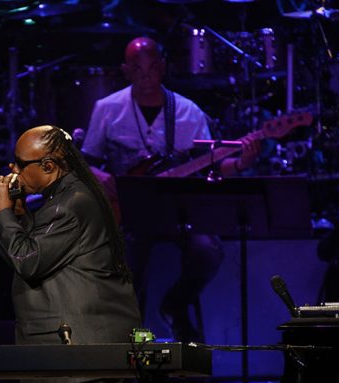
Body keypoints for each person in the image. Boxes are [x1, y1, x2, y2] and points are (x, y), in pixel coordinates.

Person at [81, 36, 261, 342]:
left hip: (178, 210)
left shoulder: (189, 112)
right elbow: (85, 164)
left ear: (163, 68)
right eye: (137, 70)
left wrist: (242, 162)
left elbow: (211, 168)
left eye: (152, 68)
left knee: (208, 252)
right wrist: (105, 180)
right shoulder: (107, 109)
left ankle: (176, 304)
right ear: (126, 71)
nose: (146, 76)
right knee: (126, 265)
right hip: (130, 211)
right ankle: (131, 350)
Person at [0, 125, 141, 383]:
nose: (12, 170)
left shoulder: (71, 203)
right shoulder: (66, 199)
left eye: (19, 163)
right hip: (79, 356)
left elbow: (28, 262)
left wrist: (2, 213)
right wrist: (20, 220)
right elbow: (38, 255)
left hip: (80, 358)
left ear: (49, 166)